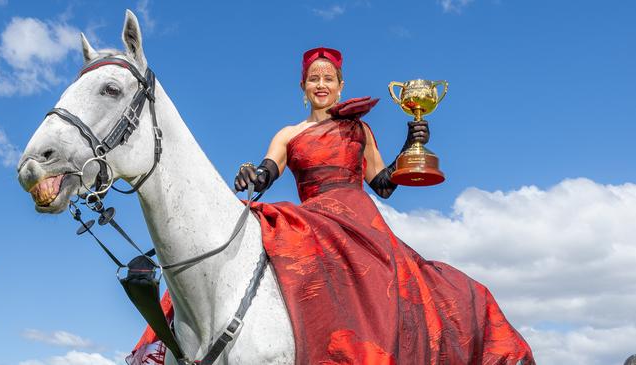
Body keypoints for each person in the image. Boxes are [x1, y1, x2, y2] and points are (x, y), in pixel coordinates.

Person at [128, 47, 535, 365]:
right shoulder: (288, 134)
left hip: (359, 219)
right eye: (313, 79)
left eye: (328, 78)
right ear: (302, 86)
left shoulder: (357, 128)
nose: (320, 84)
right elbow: (268, 172)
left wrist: (412, 146)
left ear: (341, 85)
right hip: (313, 216)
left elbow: (383, 184)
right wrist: (253, 176)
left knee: (396, 288)